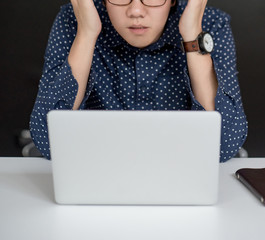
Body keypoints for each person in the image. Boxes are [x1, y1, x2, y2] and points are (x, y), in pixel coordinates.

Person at [30, 0, 248, 162]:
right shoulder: (77, 17)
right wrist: (87, 33)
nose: (135, 11)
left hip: (179, 173)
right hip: (103, 173)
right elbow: (48, 141)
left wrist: (192, 35)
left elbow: (225, 144)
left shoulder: (209, 23)